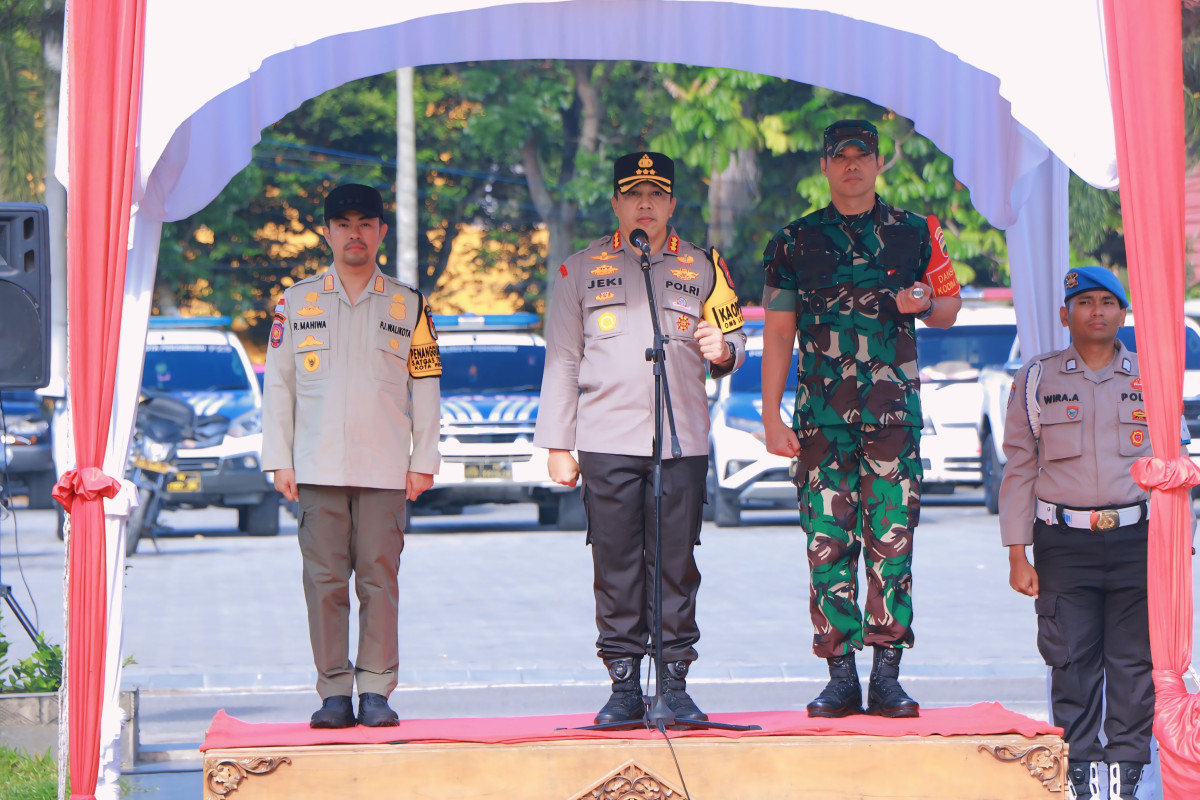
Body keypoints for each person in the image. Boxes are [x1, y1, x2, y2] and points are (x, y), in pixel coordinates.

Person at [760, 119, 962, 719]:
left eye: (862, 156)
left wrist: (924, 301)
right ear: (824, 166)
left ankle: (888, 677)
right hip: (820, 423)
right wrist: (771, 417)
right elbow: (777, 335)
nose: (852, 166)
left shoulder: (916, 233)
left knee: (891, 545)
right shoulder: (792, 241)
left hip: (891, 420)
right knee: (827, 546)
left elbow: (948, 307)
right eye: (840, 157)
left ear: (878, 164)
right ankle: (840, 675)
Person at [535, 152, 746, 725]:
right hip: (606, 439)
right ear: (616, 204)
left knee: (676, 564)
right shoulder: (580, 269)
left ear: (673, 204)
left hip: (681, 439)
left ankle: (674, 683)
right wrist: (558, 443)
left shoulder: (704, 268)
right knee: (617, 563)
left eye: (656, 194)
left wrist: (724, 351)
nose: (645, 204)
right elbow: (562, 358)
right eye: (633, 194)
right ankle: (624, 684)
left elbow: (733, 339)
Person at [262, 183, 442, 729]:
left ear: (381, 232)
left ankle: (377, 690)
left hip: (386, 467)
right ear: (328, 232)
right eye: (344, 224)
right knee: (323, 581)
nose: (355, 233)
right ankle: (334, 690)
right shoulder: (295, 303)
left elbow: (428, 382)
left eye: (365, 223)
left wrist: (424, 459)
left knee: (379, 580)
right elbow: (280, 385)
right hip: (316, 466)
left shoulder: (408, 304)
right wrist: (279, 459)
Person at [1000, 267, 1168, 800]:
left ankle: (1127, 776)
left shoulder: (1152, 378)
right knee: (1070, 662)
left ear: (1123, 313)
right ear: (1064, 314)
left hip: (1136, 541)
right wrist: (1016, 553)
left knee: (1133, 666)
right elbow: (1020, 467)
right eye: (1085, 301)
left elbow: (1173, 466)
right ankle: (1077, 775)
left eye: (1108, 302)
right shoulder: (1037, 379)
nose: (1097, 311)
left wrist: (1177, 546)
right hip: (1063, 544)